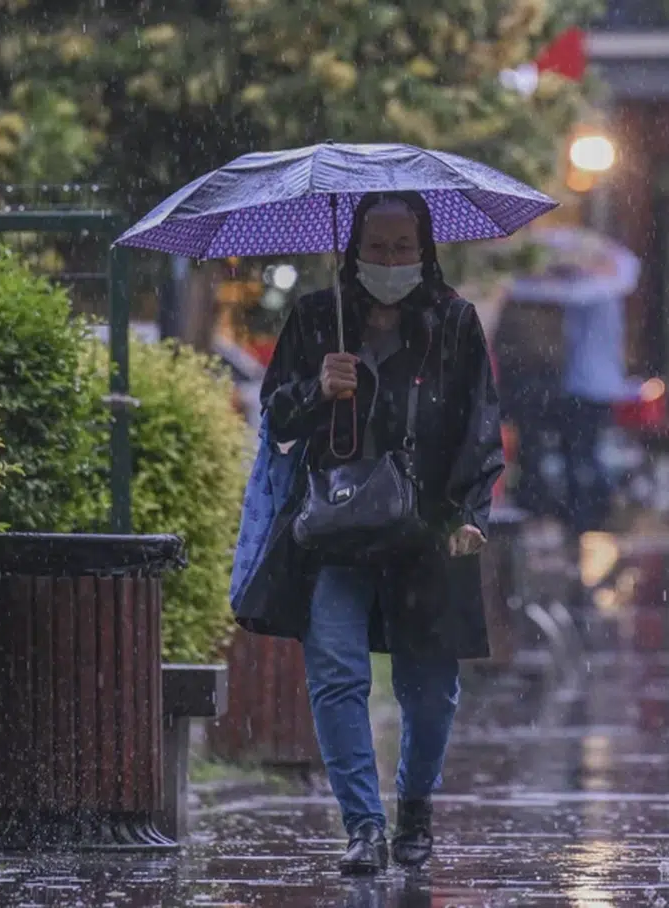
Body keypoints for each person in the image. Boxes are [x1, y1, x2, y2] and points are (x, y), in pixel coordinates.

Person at [255, 191, 504, 875]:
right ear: (353, 247)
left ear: (425, 249)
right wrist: (317, 391)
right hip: (335, 527)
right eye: (377, 246)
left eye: (403, 247)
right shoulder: (315, 318)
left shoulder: (453, 322)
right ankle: (363, 826)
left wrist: (469, 517)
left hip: (427, 531)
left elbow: (479, 425)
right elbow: (276, 419)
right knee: (335, 672)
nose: (389, 260)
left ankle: (415, 812)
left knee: (431, 688)